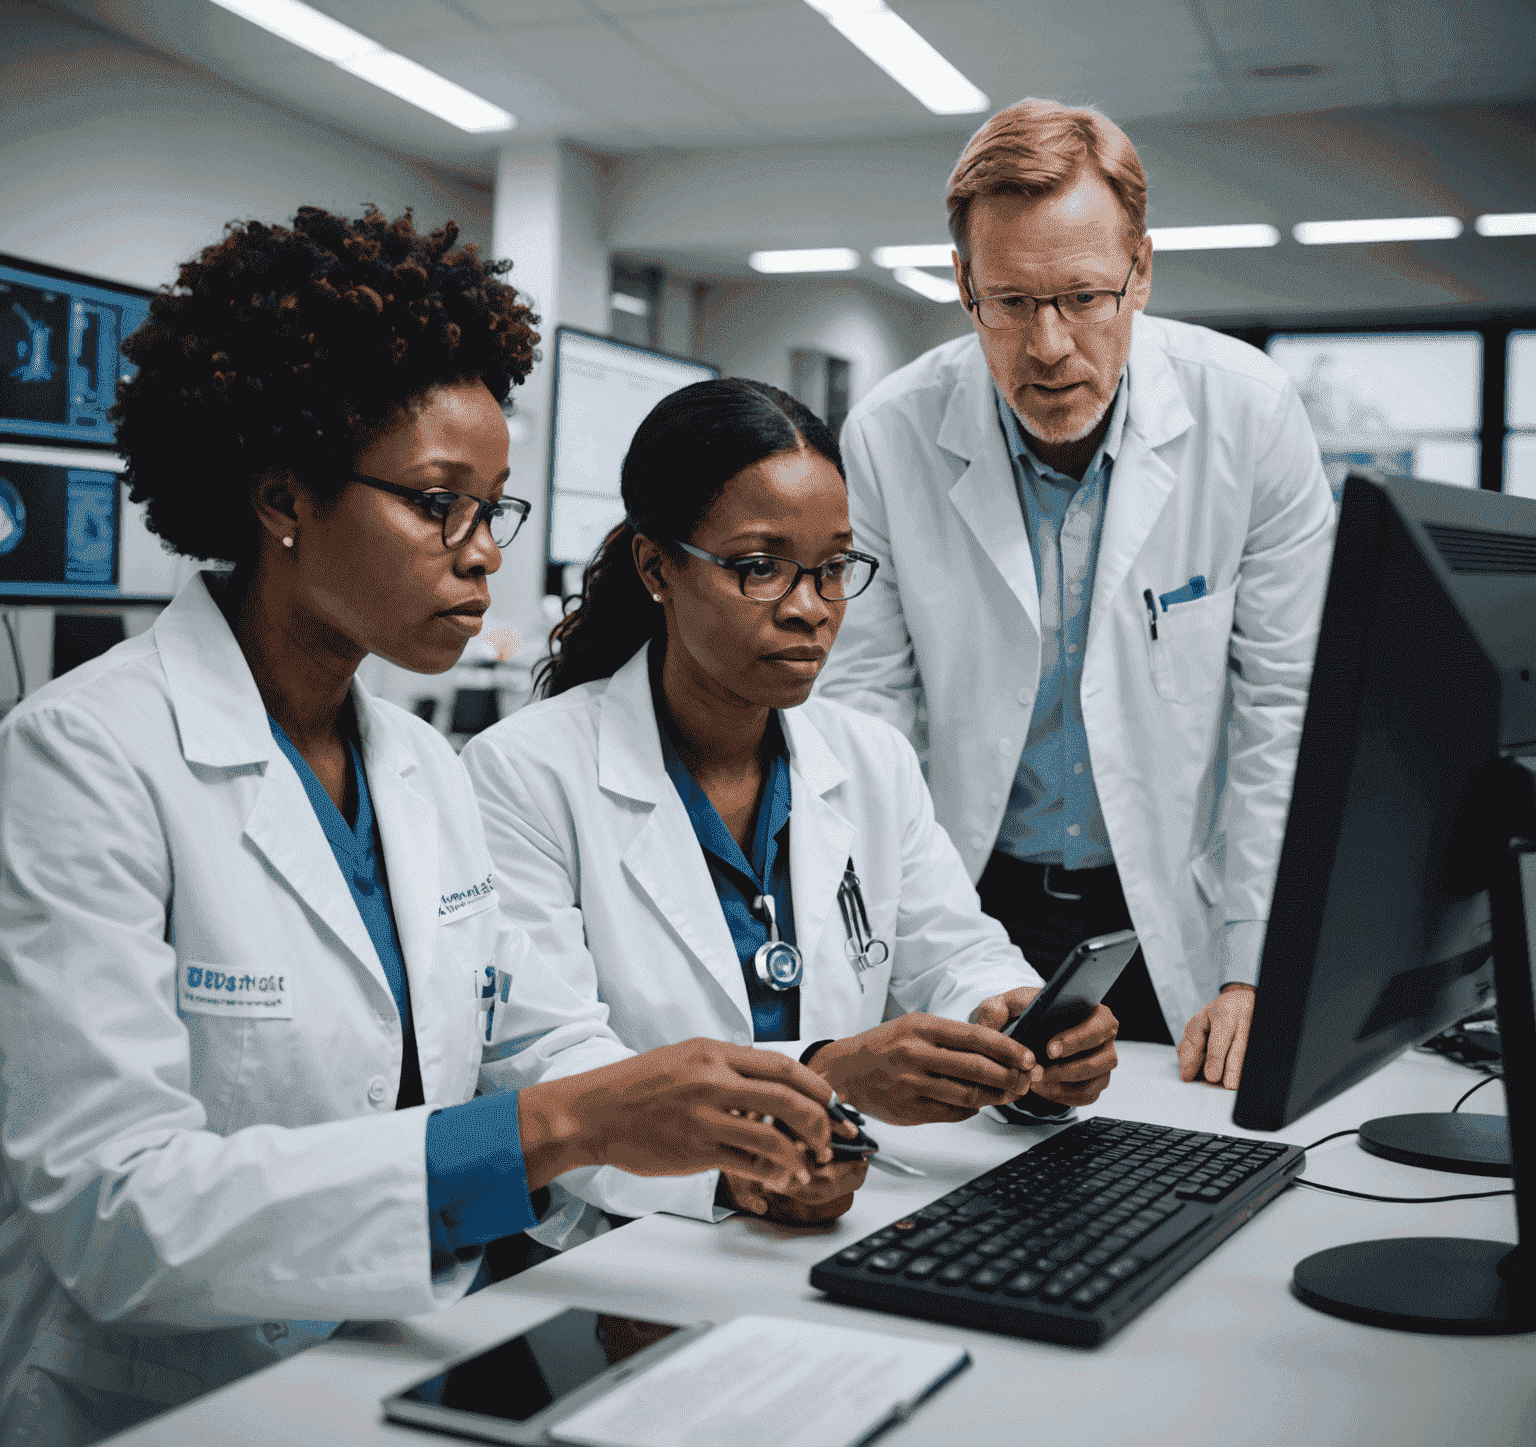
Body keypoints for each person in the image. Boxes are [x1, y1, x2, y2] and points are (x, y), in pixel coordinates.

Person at [0, 210, 843, 1447]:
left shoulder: (422, 769)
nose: (484, 558)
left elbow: (519, 1048)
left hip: (405, 1360)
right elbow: (117, 1214)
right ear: (283, 495)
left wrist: (722, 1150)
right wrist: (558, 1127)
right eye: (440, 506)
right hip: (164, 1403)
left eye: (493, 510)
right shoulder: (80, 760)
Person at [463, 378, 1120, 1230]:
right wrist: (825, 1078)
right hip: (629, 1246)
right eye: (761, 567)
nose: (811, 609)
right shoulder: (524, 773)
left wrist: (1012, 1029)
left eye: (835, 568)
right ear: (658, 567)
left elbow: (954, 953)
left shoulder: (870, 759)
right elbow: (550, 1065)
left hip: (837, 1216)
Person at [816, 98, 1335, 1090]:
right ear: (964, 285)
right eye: (1009, 302)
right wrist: (908, 938)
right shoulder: (890, 435)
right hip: (970, 893)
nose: (1047, 346)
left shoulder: (1250, 415)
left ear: (1141, 271)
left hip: (1175, 905)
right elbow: (867, 717)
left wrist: (1255, 964)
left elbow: (1285, 712)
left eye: (1084, 297)